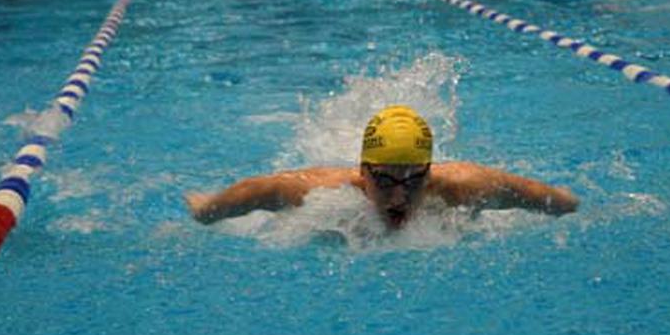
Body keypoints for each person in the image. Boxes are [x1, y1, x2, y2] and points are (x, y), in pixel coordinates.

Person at [185, 105, 578, 229]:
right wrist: (207, 210)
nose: (399, 195)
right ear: (362, 171)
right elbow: (261, 190)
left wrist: (571, 205)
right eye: (386, 179)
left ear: (430, 170)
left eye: (413, 180)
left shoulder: (464, 187)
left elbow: (554, 199)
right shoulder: (320, 191)